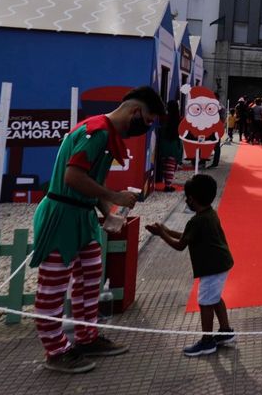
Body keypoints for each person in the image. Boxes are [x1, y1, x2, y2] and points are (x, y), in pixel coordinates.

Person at [30, 86, 163, 373]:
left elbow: (93, 180)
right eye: (148, 120)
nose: (146, 127)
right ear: (135, 111)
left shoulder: (106, 133)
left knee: (90, 276)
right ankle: (55, 350)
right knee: (52, 287)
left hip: (83, 215)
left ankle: (86, 337)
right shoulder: (97, 132)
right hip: (62, 216)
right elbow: (73, 176)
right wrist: (115, 197)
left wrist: (107, 213)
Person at [146, 174, 236, 356]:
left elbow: (180, 245)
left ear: (192, 199)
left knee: (205, 302)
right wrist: (165, 230)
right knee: (215, 298)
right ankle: (225, 331)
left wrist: (162, 234)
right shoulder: (209, 214)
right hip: (220, 263)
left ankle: (207, 341)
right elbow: (188, 235)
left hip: (212, 267)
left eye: (187, 198)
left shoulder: (197, 220)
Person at [155, 100, 183, 191]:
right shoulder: (180, 119)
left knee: (166, 164)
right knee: (172, 165)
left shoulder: (163, 118)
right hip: (175, 144)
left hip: (165, 142)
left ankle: (167, 184)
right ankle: (168, 185)